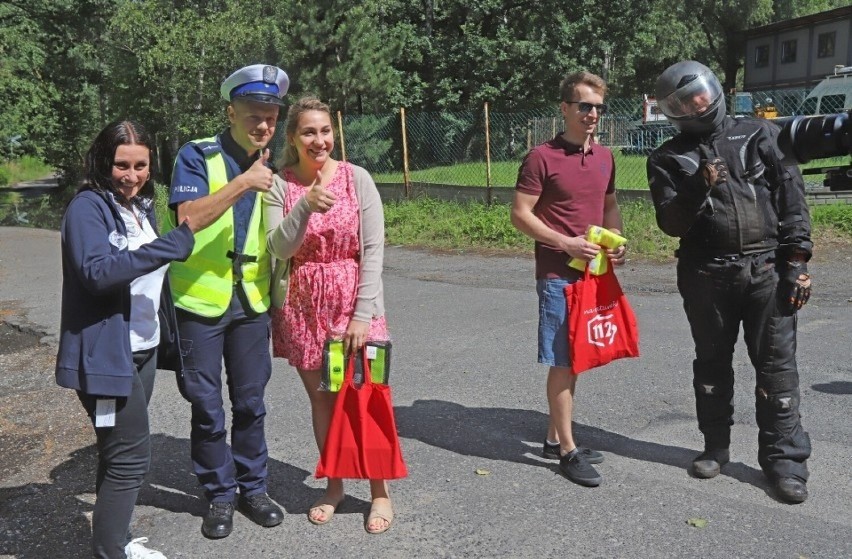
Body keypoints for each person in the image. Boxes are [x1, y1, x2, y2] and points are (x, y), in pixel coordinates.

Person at [648, 60, 813, 503]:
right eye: (682, 101)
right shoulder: (667, 157)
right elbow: (670, 223)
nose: (695, 104)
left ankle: (785, 463)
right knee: (712, 363)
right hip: (706, 274)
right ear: (672, 110)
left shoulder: (760, 134)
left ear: (713, 89)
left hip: (766, 270)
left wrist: (796, 262)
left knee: (777, 369)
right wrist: (697, 187)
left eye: (698, 93)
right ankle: (715, 447)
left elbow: (792, 199)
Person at [56, 120, 208, 558]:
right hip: (106, 357)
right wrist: (172, 244)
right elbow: (98, 272)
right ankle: (111, 552)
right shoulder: (87, 207)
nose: (132, 174)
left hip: (139, 349)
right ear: (103, 161)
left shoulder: (140, 205)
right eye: (122, 164)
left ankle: (114, 541)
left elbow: (147, 278)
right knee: (130, 461)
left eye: (141, 165)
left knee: (116, 453)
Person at [163, 64, 289, 538]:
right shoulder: (197, 155)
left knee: (252, 402)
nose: (263, 126)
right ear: (230, 112)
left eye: (271, 118)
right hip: (198, 301)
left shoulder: (277, 163)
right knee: (206, 405)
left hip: (252, 303)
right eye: (254, 115)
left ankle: (253, 489)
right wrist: (243, 183)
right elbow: (188, 217)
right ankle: (219, 495)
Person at [264, 96, 395, 534]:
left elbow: (373, 249)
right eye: (308, 132)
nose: (318, 140)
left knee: (366, 396)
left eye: (324, 131)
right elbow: (278, 249)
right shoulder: (281, 186)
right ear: (293, 138)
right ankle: (335, 485)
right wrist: (304, 206)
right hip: (302, 308)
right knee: (323, 399)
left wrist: (362, 314)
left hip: (354, 305)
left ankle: (379, 493)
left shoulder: (357, 178)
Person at [510, 71, 626, 487]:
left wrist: (617, 243)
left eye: (598, 106)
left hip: (593, 274)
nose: (592, 113)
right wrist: (566, 243)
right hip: (558, 274)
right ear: (565, 109)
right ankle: (567, 451)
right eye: (584, 106)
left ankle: (552, 437)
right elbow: (520, 215)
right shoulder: (542, 157)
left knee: (578, 358)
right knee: (564, 361)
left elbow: (609, 205)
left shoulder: (605, 157)